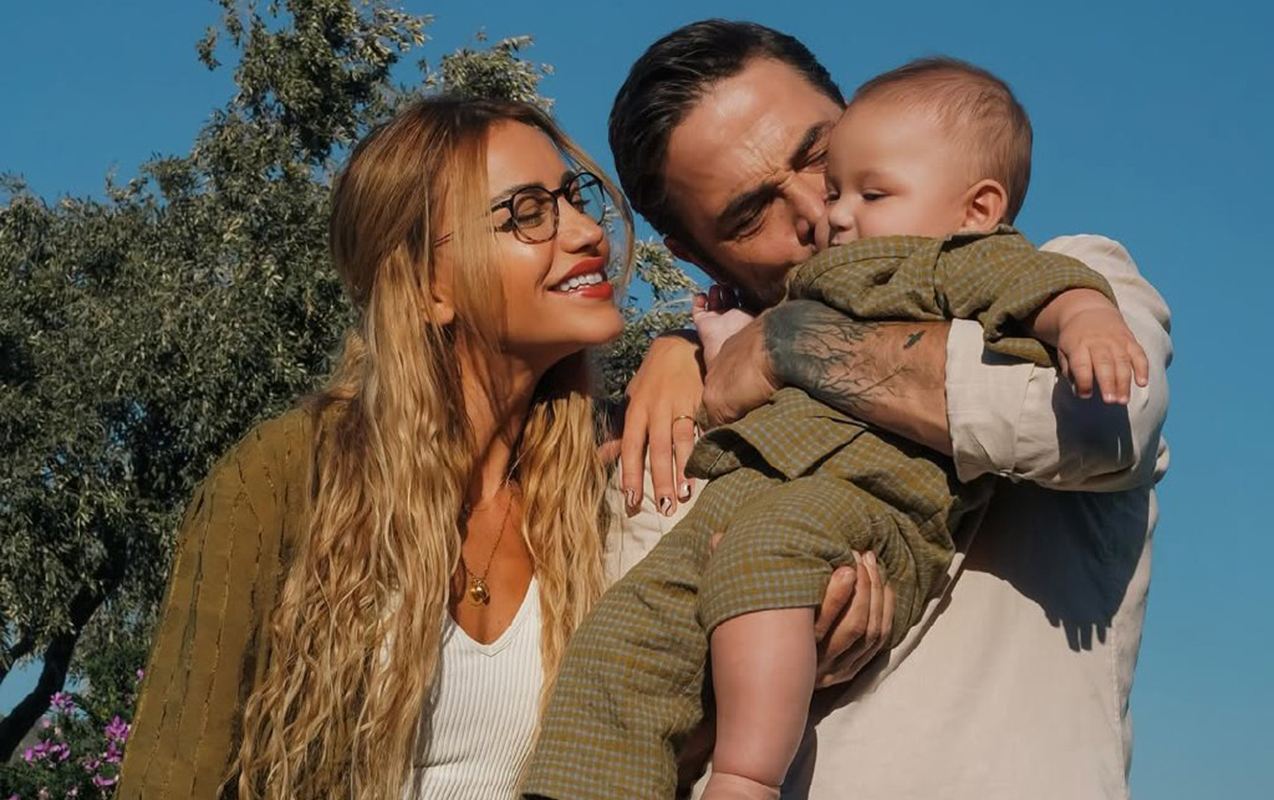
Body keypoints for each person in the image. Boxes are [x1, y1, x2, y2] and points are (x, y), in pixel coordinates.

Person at [526, 57, 1146, 800]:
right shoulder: (671, 421)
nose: (822, 213)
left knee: (769, 545)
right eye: (751, 212)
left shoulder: (1051, 272)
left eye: (820, 158)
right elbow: (651, 690)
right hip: (754, 501)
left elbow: (1095, 425)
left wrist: (784, 345)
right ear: (692, 255)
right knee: (622, 634)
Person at [117, 96, 634, 800]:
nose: (586, 232)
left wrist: (683, 357)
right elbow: (174, 774)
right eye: (526, 213)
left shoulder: (598, 478)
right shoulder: (287, 477)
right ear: (427, 287)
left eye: (574, 197)